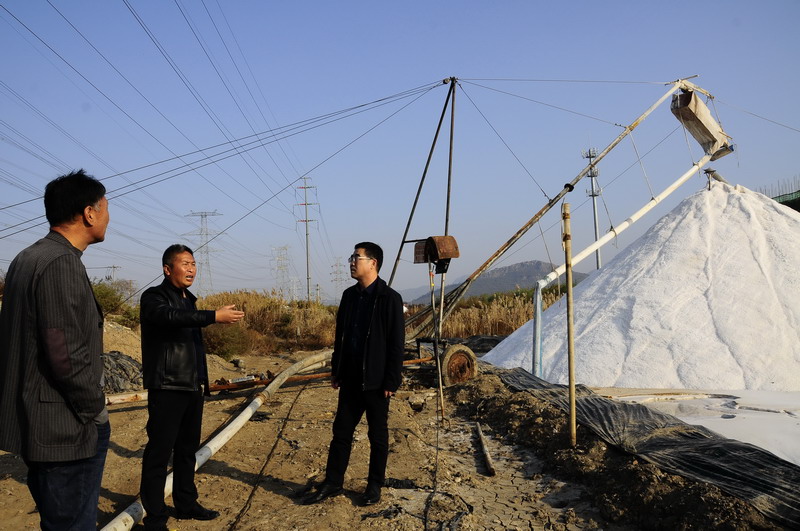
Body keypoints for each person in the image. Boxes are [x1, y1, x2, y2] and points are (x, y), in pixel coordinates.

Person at [0, 169, 111, 530]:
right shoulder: (60, 263)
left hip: (40, 422)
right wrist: (93, 407)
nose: (109, 217)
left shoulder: (27, 257)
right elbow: (64, 354)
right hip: (64, 429)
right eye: (106, 208)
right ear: (89, 213)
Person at [139, 244, 244, 531]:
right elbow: (169, 318)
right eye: (184, 263)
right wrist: (213, 316)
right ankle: (155, 518)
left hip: (192, 386)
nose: (191, 269)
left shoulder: (190, 301)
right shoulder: (154, 297)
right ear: (167, 269)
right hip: (167, 386)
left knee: (187, 451)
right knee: (159, 453)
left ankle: (186, 504)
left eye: (193, 264)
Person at [302, 242, 404, 507]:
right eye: (352, 257)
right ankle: (333, 482)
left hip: (376, 381)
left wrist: (392, 380)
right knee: (341, 433)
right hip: (350, 378)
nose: (351, 262)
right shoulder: (349, 296)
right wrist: (336, 369)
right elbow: (341, 337)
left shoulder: (389, 298)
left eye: (356, 257)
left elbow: (396, 344)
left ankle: (374, 485)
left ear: (373, 263)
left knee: (377, 435)